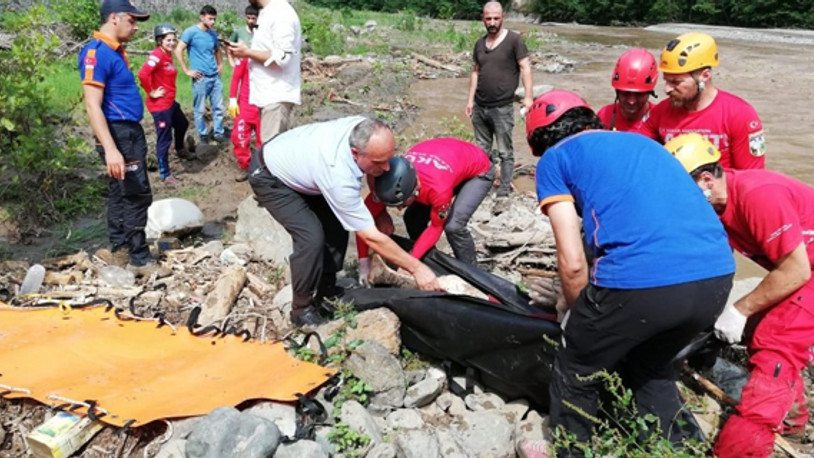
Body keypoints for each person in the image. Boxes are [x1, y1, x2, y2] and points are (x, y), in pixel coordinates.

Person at [525, 90, 734, 455]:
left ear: (541, 140)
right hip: (715, 277)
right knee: (651, 367)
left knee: (576, 366)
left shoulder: (554, 160)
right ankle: (684, 451)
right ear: (589, 120)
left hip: (645, 281)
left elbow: (572, 260)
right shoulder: (644, 144)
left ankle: (573, 450)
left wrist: (575, 317)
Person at [667, 133, 814, 458]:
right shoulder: (717, 205)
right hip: (801, 263)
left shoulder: (759, 197)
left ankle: (739, 450)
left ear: (706, 179)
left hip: (803, 268)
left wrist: (740, 309)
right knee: (760, 328)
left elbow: (796, 271)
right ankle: (793, 421)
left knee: (776, 345)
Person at [248, 116, 442, 327]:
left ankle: (327, 290)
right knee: (311, 236)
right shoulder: (338, 174)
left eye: (389, 159)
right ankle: (301, 309)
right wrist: (418, 269)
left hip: (305, 166)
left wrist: (381, 211)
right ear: (355, 153)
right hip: (271, 177)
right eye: (379, 163)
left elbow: (374, 171)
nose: (386, 169)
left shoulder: (364, 128)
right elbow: (371, 237)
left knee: (337, 224)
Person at [79, 0, 160, 274]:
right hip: (118, 133)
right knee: (137, 194)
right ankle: (139, 258)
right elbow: (92, 104)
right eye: (132, 20)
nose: (136, 27)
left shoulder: (116, 51)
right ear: (114, 18)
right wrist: (111, 148)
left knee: (120, 191)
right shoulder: (96, 52)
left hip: (127, 131)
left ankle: (119, 249)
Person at [356, 138, 494, 278]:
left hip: (478, 170)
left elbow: (436, 227)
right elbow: (362, 224)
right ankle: (429, 262)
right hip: (446, 157)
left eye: (402, 204)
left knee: (454, 227)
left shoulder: (438, 190)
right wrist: (363, 262)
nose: (399, 209)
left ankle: (473, 276)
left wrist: (410, 263)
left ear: (416, 190)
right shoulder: (388, 181)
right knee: (412, 218)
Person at [637, 32, 766, 169]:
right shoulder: (659, 113)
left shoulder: (740, 115)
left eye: (676, 82)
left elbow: (752, 177)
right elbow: (637, 154)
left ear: (705, 76)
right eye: (666, 81)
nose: (667, 89)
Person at [465, 0, 533, 197]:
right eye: (488, 18)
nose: (492, 22)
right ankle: (483, 186)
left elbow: (525, 67)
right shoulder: (479, 43)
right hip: (480, 106)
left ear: (502, 17)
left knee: (505, 152)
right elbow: (475, 72)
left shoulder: (514, 40)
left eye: (496, 18)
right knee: (482, 151)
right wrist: (470, 101)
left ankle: (504, 189)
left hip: (502, 107)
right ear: (483, 19)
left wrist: (528, 97)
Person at [227, 0, 301, 143]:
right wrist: (246, 51)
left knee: (271, 152)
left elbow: (282, 56)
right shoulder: (267, 12)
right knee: (267, 149)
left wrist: (247, 52)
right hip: (267, 95)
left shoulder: (281, 13)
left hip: (276, 96)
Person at [137, 23, 192, 187]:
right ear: (159, 40)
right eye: (168, 40)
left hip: (170, 102)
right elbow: (143, 73)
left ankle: (180, 149)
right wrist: (151, 91)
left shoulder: (167, 55)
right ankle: (165, 173)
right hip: (160, 106)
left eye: (174, 40)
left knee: (183, 123)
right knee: (164, 139)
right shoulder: (157, 55)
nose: (172, 43)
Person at [175, 5, 225, 144]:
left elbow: (217, 51)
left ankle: (218, 132)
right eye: (210, 19)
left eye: (214, 19)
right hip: (200, 78)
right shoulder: (190, 32)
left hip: (214, 77)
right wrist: (186, 70)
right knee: (200, 109)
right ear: (202, 17)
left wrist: (220, 64)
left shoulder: (213, 34)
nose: (212, 22)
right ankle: (202, 134)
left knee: (218, 107)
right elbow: (178, 50)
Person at [596, 48, 658, 132]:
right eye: (625, 94)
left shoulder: (659, 119)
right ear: (617, 92)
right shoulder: (604, 115)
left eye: (639, 95)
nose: (631, 101)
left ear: (650, 92)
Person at [227, 53, 260, 181]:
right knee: (239, 137)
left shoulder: (268, 57)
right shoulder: (245, 57)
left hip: (262, 104)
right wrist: (232, 99)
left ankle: (261, 168)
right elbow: (236, 77)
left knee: (262, 140)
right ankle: (244, 166)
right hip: (245, 105)